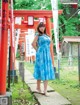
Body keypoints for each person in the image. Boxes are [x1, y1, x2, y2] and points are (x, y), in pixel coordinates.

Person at [32, 22, 55, 96]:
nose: (42, 28)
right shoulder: (37, 35)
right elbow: (33, 43)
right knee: (40, 70)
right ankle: (38, 88)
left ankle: (45, 90)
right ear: (38, 28)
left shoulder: (46, 35)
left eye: (43, 27)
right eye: (40, 27)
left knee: (46, 70)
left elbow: (50, 44)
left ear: (45, 28)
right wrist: (38, 50)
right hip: (41, 55)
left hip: (47, 55)